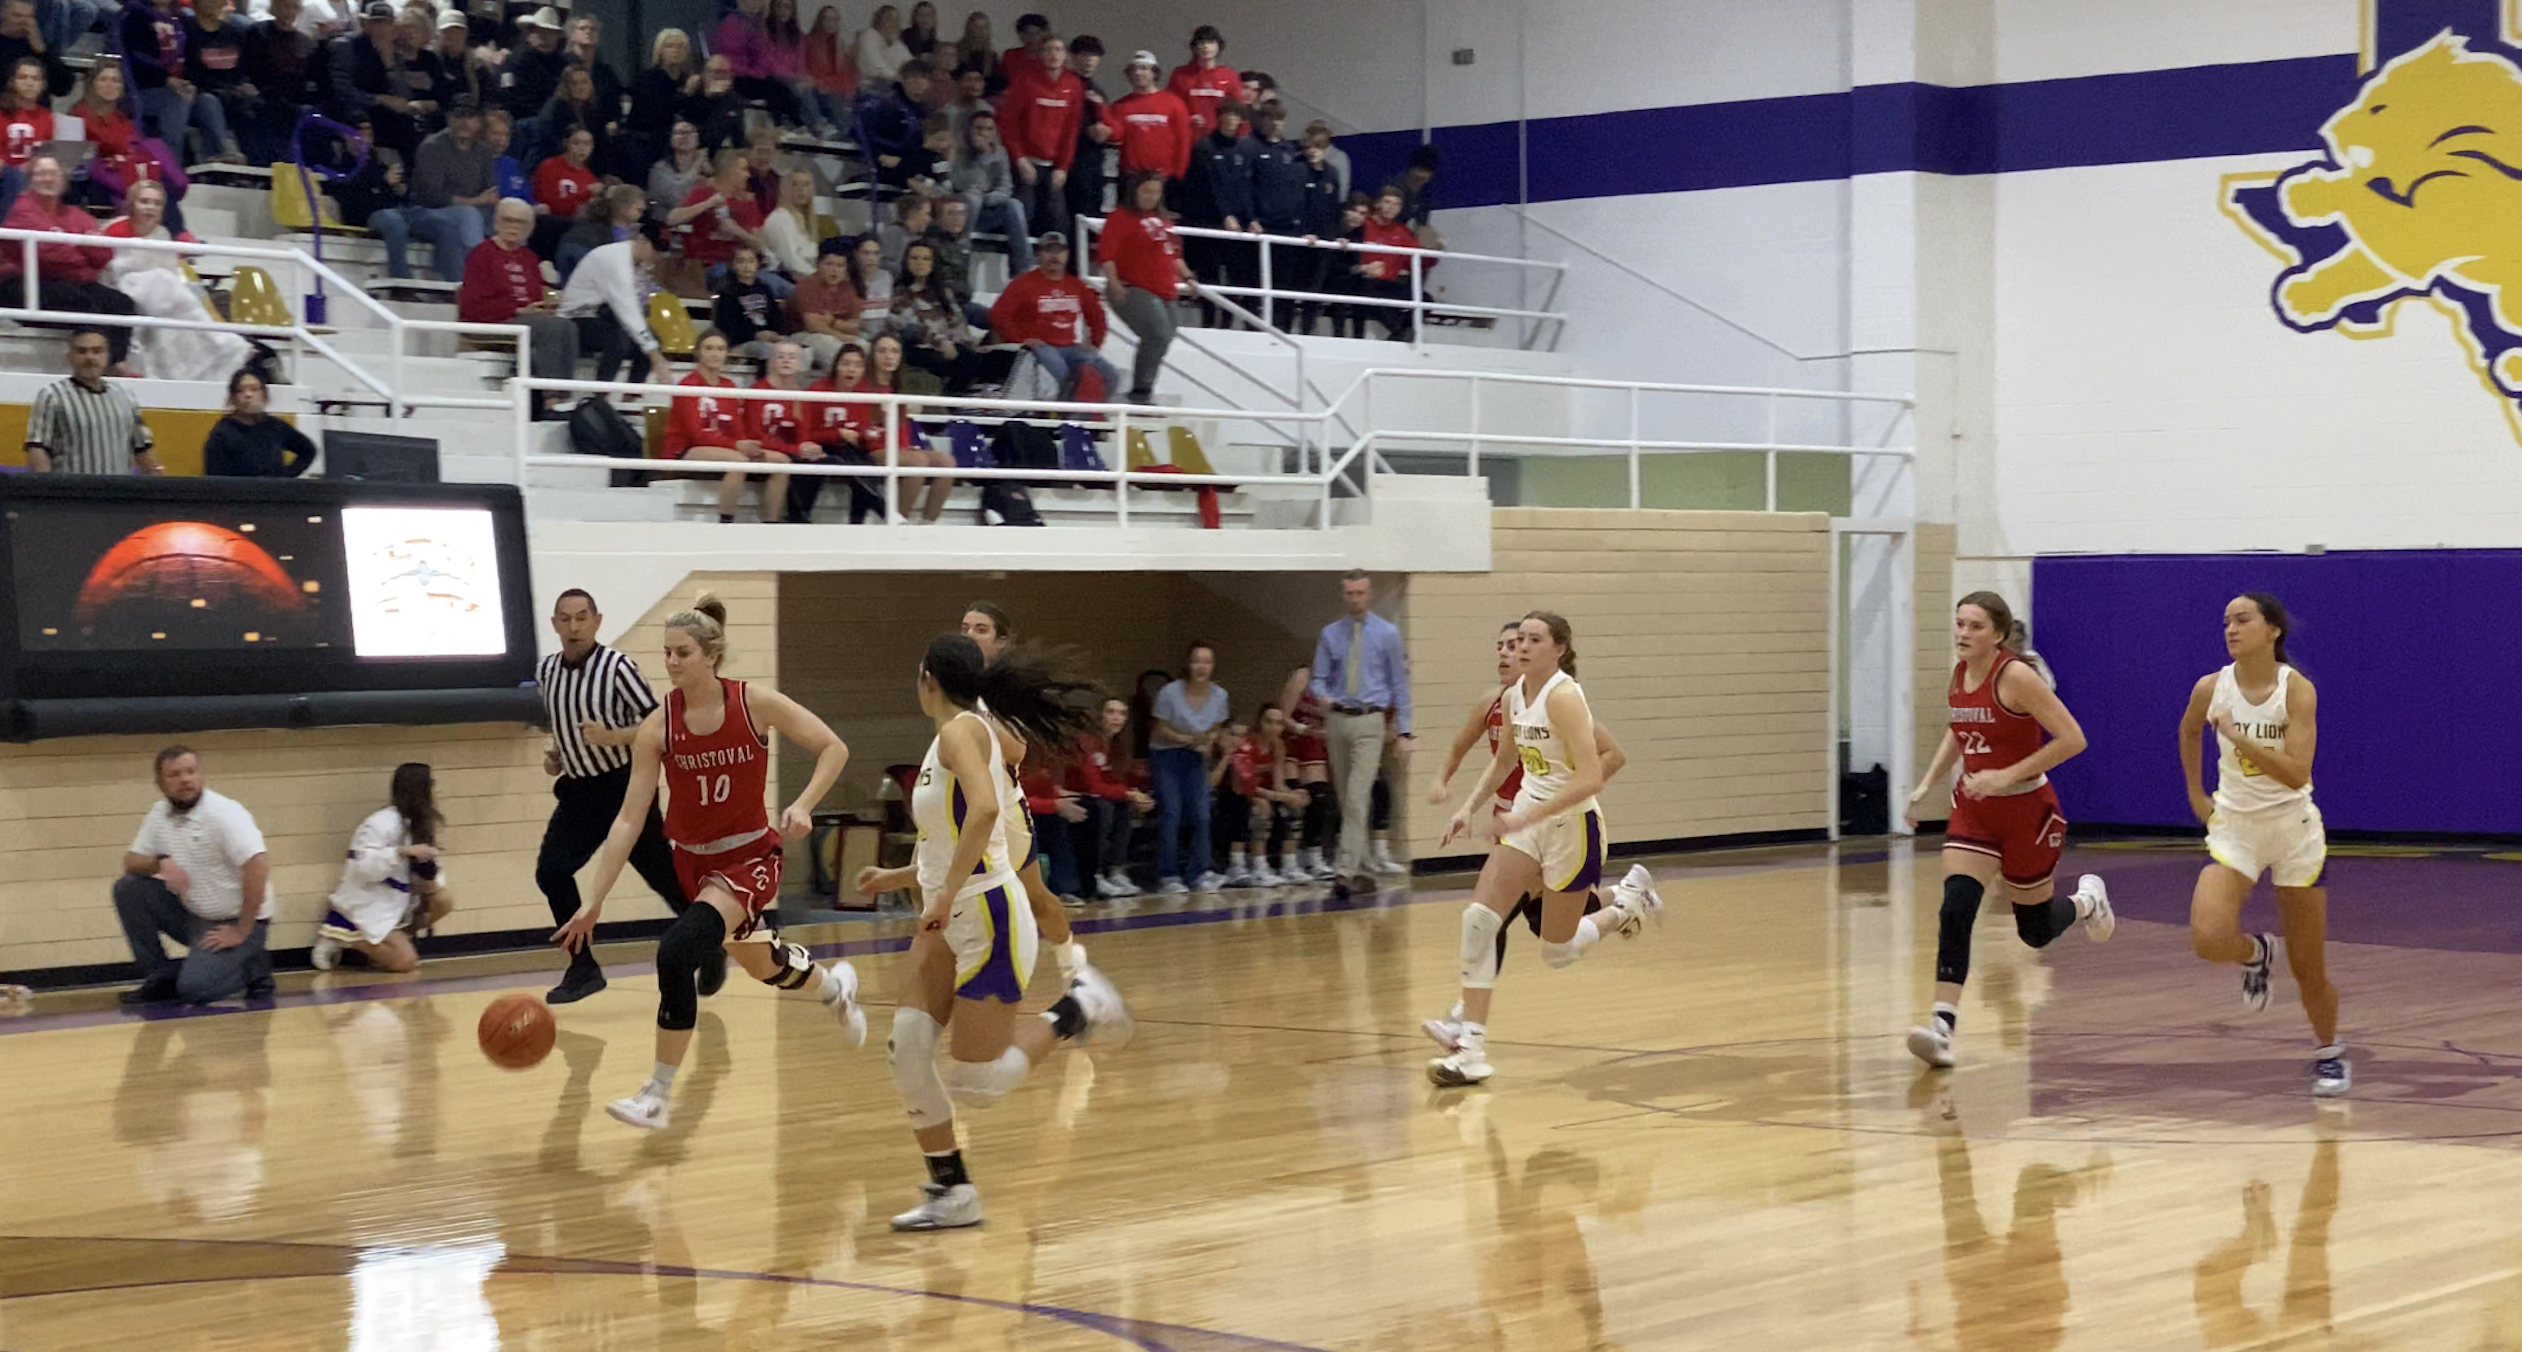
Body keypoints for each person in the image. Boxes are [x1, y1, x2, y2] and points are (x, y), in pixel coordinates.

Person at [552, 594, 868, 1132]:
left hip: (748, 857)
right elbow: (629, 821)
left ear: (711, 656)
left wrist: (803, 805)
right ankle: (833, 986)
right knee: (761, 964)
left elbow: (832, 747)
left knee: (675, 954)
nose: (671, 663)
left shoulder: (753, 703)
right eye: (667, 653)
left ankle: (656, 1093)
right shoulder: (659, 725)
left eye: (683, 653)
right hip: (693, 864)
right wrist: (593, 903)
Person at [852, 632, 1130, 1231]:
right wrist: (900, 873)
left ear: (928, 677)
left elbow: (981, 811)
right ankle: (952, 1192)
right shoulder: (953, 735)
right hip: (947, 914)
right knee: (907, 1052)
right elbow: (953, 832)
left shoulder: (962, 731)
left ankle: (1078, 1008)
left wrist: (947, 890)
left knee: (976, 1084)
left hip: (988, 917)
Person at [1424, 612, 1666, 1088]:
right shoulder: (1515, 696)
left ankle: (1624, 906)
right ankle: (1470, 1048)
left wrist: (1525, 816)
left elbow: (1592, 776)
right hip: (1530, 818)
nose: (1522, 647)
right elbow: (1506, 760)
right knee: (1479, 918)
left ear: (1558, 649)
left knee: (1557, 951)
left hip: (1573, 826)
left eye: (1534, 639)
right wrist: (1467, 809)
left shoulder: (1565, 697)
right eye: (1519, 640)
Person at [1902, 591, 2116, 1071]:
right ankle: (1942, 1027)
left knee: (2034, 931)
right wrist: (1926, 784)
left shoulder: (2017, 675)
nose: (1963, 633)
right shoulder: (1959, 675)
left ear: (1998, 634)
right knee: (1956, 908)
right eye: (1959, 623)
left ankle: (2087, 902)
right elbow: (1959, 731)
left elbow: (2072, 739)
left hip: (2026, 812)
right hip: (1975, 813)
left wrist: (2006, 774)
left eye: (1975, 626)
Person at [2177, 593, 2344, 1096]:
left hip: (2294, 834)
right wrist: (2196, 795)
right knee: (2207, 937)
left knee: (2309, 970)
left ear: (2272, 630)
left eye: (2242, 619)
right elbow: (2188, 733)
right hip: (2236, 829)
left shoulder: (2297, 691)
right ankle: (2255, 953)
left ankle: (2330, 1051)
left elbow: (2296, 774)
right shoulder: (2211, 687)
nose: (2231, 628)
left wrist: (2237, 736)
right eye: (2226, 620)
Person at [533, 588, 713, 1004]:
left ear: (597, 622)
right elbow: (566, 725)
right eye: (566, 619)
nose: (574, 627)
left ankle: (711, 941)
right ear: (555, 624)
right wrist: (560, 755)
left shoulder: (617, 668)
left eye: (582, 618)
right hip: (579, 791)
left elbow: (662, 724)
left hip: (623, 786)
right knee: (552, 872)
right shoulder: (546, 673)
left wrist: (613, 737)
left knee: (661, 875)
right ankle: (582, 968)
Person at [956, 604, 1091, 976]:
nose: (968, 635)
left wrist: (976, 722)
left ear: (1001, 642)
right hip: (965, 807)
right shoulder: (954, 686)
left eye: (980, 629)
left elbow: (1017, 751)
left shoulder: (1004, 691)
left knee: (1035, 897)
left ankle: (1071, 966)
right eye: (964, 628)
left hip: (1004, 809)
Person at [114, 746, 276, 1005]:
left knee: (195, 991)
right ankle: (161, 975)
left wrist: (242, 929)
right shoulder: (159, 814)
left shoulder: (224, 814)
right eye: (175, 775)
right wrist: (160, 863)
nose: (185, 780)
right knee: (129, 888)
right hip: (195, 916)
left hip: (238, 920)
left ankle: (254, 966)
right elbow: (130, 862)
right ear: (160, 784)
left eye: (191, 771)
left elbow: (258, 867)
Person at [1305, 571, 1413, 890]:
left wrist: (1405, 733)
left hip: (1370, 718)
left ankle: (1345, 870)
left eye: (1360, 592)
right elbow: (1318, 678)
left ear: (1370, 593)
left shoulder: (1387, 634)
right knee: (1347, 797)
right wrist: (1322, 695)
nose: (1355, 599)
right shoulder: (1330, 634)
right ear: (1343, 595)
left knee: (1357, 793)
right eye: (1350, 593)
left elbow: (1399, 684)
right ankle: (1364, 866)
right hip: (1338, 718)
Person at [310, 762, 454, 973]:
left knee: (443, 900)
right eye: (433, 786)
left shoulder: (420, 823)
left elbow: (429, 868)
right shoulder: (380, 823)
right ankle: (340, 935)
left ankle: (394, 941)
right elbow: (362, 867)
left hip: (400, 901)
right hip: (370, 900)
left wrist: (430, 880)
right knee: (406, 963)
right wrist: (399, 853)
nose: (438, 792)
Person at [103, 179, 248, 383]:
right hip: (121, 287)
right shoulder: (114, 229)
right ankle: (219, 341)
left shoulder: (162, 234)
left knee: (177, 292)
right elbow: (109, 268)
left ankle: (216, 348)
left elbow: (168, 269)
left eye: (156, 203)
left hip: (159, 293)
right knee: (167, 286)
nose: (150, 207)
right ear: (132, 203)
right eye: (144, 201)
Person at [0, 159, 142, 364]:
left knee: (121, 303)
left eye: (54, 173)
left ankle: (112, 365)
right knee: (77, 299)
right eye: (41, 173)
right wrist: (80, 252)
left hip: (66, 282)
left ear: (64, 180)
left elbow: (102, 254)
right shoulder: (21, 210)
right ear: (30, 180)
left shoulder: (76, 214)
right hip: (20, 285)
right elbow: (49, 257)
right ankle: (88, 366)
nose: (47, 178)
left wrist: (73, 252)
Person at [460, 196, 581, 415]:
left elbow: (536, 296)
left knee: (567, 325)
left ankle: (564, 395)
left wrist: (547, 306)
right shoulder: (482, 254)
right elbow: (471, 306)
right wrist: (517, 310)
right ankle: (551, 400)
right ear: (496, 222)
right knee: (551, 328)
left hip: (527, 320)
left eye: (520, 222)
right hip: (493, 320)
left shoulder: (529, 257)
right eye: (508, 220)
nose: (513, 227)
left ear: (530, 228)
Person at [668, 330, 791, 523]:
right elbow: (696, 435)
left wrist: (746, 443)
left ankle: (771, 522)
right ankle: (726, 521)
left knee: (782, 461)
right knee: (738, 460)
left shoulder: (728, 385)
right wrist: (737, 446)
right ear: (698, 352)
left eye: (720, 349)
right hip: (686, 448)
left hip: (724, 446)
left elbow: (736, 427)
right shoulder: (688, 385)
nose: (715, 354)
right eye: (709, 348)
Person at [370, 94, 495, 281]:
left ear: (479, 121)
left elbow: (489, 191)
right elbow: (432, 196)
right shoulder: (432, 147)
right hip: (428, 211)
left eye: (470, 117)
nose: (464, 122)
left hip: (475, 211)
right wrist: (474, 202)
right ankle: (471, 280)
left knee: (512, 216)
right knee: (467, 216)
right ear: (448, 118)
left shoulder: (483, 152)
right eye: (458, 116)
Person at [1097, 170, 1192, 405]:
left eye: (1156, 192)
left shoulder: (1165, 221)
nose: (1152, 197)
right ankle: (1141, 390)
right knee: (1158, 333)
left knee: (1165, 336)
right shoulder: (1120, 218)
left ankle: (1145, 386)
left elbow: (1173, 254)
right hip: (1134, 286)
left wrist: (1187, 276)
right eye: (1147, 191)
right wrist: (1114, 283)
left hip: (1164, 288)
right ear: (1134, 192)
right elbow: (1106, 255)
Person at [989, 231, 1118, 401]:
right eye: (1049, 251)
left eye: (1059, 251)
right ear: (1039, 254)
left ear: (1067, 255)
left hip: (1070, 346)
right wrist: (1020, 339)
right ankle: (1063, 418)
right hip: (1041, 346)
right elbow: (998, 314)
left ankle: (1092, 416)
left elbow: (1097, 316)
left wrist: (1095, 343)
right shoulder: (1023, 283)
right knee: (1063, 375)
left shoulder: (1075, 285)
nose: (1054, 256)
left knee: (1111, 376)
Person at [1147, 641, 1230, 895]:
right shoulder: (1170, 693)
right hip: (1167, 756)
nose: (1201, 667)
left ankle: (1200, 871)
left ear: (1213, 666)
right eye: (1196, 661)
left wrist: (1208, 741)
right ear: (1188, 664)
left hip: (1195, 758)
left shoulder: (1220, 695)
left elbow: (1216, 726)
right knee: (1172, 812)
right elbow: (1160, 728)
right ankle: (1168, 874)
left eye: (1206, 662)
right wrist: (1190, 740)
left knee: (1202, 813)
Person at [26, 328, 162, 472]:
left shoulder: (125, 396)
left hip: (117, 491)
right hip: (72, 491)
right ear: (70, 357)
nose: (90, 357)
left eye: (97, 351)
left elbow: (143, 448)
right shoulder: (52, 395)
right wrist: (44, 490)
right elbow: (37, 447)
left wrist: (159, 481)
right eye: (82, 351)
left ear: (107, 356)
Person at [557, 233, 676, 387]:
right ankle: (599, 396)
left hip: (606, 315)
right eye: (655, 254)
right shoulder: (614, 259)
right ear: (644, 243)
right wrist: (656, 357)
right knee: (617, 340)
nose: (655, 260)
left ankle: (632, 396)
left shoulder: (635, 263)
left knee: (652, 339)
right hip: (577, 317)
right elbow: (627, 308)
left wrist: (652, 349)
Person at [892, 238, 1009, 391]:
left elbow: (957, 321)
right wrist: (943, 344)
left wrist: (960, 344)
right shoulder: (900, 293)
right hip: (920, 347)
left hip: (950, 344)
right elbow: (911, 328)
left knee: (995, 358)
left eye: (926, 258)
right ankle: (952, 400)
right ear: (906, 261)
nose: (920, 262)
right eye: (914, 258)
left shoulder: (943, 292)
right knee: (964, 360)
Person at [747, 338, 844, 522]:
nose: (785, 361)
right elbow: (754, 434)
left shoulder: (800, 395)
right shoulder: (757, 390)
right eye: (781, 356)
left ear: (799, 364)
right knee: (796, 460)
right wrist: (795, 449)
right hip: (767, 449)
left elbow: (804, 435)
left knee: (820, 461)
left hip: (790, 450)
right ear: (772, 361)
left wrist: (808, 447)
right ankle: (794, 517)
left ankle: (799, 517)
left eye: (791, 357)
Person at [862, 331, 955, 519]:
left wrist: (904, 447)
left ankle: (928, 523)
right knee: (917, 462)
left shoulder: (899, 387)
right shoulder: (862, 386)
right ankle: (897, 521)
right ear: (873, 355)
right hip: (870, 448)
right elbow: (862, 426)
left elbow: (901, 425)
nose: (889, 356)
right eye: (882, 351)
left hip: (894, 447)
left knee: (947, 463)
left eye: (895, 352)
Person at [998, 33, 1080, 242]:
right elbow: (1009, 125)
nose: (1053, 55)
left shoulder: (1073, 85)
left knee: (1058, 220)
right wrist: (1020, 158)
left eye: (1058, 50)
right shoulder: (1025, 81)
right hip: (1026, 163)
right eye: (1048, 50)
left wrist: (1063, 167)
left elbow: (1071, 131)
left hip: (1054, 166)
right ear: (1041, 54)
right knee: (1023, 217)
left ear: (1065, 55)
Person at [1179, 100, 1255, 322]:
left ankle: (1228, 322)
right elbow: (1210, 187)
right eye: (1227, 114)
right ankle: (1210, 322)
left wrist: (1251, 219)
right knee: (1210, 274)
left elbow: (1244, 188)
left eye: (1236, 115)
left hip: (1236, 226)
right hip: (1209, 222)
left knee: (1236, 275)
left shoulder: (1243, 149)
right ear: (1219, 117)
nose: (1231, 119)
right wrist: (1224, 215)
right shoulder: (1204, 147)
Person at [1218, 704, 1308, 887]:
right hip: (1236, 793)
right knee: (1260, 808)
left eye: (1278, 723)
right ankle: (1255, 867)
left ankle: (1289, 866)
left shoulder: (1278, 745)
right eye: (1269, 722)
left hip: (1265, 792)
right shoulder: (1246, 745)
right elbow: (1246, 786)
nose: (1274, 727)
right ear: (1259, 722)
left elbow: (1278, 783)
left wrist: (1293, 794)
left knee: (1294, 807)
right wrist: (1281, 797)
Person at [1073, 695, 1149, 896]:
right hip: (1078, 796)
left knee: (1125, 807)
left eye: (1122, 713)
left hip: (1101, 797)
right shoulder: (1086, 742)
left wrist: (1136, 795)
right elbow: (1093, 785)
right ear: (1100, 716)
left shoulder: (1118, 746)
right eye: (1111, 712)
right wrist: (1128, 794)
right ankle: (1096, 875)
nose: (1116, 718)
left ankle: (1116, 872)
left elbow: (1117, 780)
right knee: (1103, 808)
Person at [672, 147, 772, 292]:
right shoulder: (702, 193)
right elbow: (673, 218)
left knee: (776, 285)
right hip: (708, 265)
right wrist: (708, 204)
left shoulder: (748, 201)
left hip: (743, 265)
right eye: (743, 170)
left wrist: (736, 231)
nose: (748, 175)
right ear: (729, 170)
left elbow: (760, 246)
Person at [950, 107, 1031, 272]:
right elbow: (959, 183)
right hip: (962, 212)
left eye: (989, 129)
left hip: (987, 210)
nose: (983, 133)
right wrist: (981, 158)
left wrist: (987, 198)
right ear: (970, 130)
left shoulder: (999, 153)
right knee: (973, 199)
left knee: (1014, 205)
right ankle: (961, 248)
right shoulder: (959, 151)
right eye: (979, 128)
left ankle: (1024, 268)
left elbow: (1006, 188)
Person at [1276, 664, 1337, 881]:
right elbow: (1282, 715)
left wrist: (1327, 733)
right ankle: (1289, 861)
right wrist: (1301, 729)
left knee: (1321, 797)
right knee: (1295, 797)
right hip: (1292, 738)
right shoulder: (1303, 676)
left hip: (1314, 742)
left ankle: (1313, 855)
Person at [202, 369, 314, 475]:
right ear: (233, 398)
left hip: (273, 493)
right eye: (240, 391)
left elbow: (307, 450)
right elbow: (215, 478)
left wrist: (285, 476)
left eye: (254, 389)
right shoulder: (222, 433)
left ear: (264, 394)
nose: (248, 395)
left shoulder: (275, 426)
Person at [1349, 185, 1422, 341]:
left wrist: (1435, 247)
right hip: (1363, 279)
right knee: (1369, 289)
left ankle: (1402, 333)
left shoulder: (1403, 233)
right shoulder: (1363, 224)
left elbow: (1420, 259)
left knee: (1421, 297)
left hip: (1389, 283)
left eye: (1396, 204)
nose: (1391, 207)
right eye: (1387, 202)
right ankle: (1398, 332)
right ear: (1378, 204)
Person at [1106, 50, 1189, 182]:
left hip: (1164, 177)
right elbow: (1115, 137)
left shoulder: (1174, 104)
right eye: (1134, 69)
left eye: (1144, 69)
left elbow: (1183, 141)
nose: (1138, 73)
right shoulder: (1119, 106)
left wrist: (1179, 174)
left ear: (1154, 73)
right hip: (1131, 176)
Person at [785, 246, 862, 370]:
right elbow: (812, 324)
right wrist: (840, 335)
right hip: (803, 336)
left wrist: (832, 321)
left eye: (840, 266)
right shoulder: (807, 286)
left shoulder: (847, 288)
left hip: (838, 334)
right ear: (818, 265)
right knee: (832, 346)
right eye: (829, 264)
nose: (834, 270)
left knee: (865, 347)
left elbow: (856, 325)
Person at [712, 243, 785, 361]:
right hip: (742, 343)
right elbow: (727, 328)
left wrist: (775, 334)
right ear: (732, 265)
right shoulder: (727, 292)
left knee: (795, 350)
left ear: (758, 264)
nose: (747, 266)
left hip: (768, 339)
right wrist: (755, 335)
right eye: (741, 261)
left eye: (751, 261)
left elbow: (776, 317)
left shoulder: (765, 289)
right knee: (766, 350)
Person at [1166, 24, 1237, 139]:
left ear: (1219, 46)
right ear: (1194, 48)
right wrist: (1187, 118)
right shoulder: (1180, 74)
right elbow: (1171, 105)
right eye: (1201, 43)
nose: (1205, 47)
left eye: (1210, 42)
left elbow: (1237, 108)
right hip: (1189, 136)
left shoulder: (1229, 75)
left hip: (1219, 138)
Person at [645, 118, 708, 232]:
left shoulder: (709, 168)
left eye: (690, 132)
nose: (685, 137)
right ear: (670, 139)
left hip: (703, 224)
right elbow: (677, 198)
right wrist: (697, 166)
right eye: (679, 133)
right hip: (669, 225)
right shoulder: (660, 169)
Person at [761, 166, 821, 279]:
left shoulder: (806, 220)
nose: (801, 189)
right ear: (784, 189)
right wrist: (819, 278)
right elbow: (791, 263)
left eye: (806, 185)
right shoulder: (780, 218)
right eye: (795, 184)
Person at [801, 4, 853, 133]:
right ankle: (830, 129)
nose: (831, 23)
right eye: (827, 19)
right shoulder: (808, 41)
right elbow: (807, 72)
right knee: (831, 96)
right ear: (820, 20)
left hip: (831, 88)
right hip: (815, 90)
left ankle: (846, 134)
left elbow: (845, 76)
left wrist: (826, 82)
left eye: (835, 19)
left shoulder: (840, 45)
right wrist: (821, 82)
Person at [853, 2, 911, 87]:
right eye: (889, 18)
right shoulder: (868, 36)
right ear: (878, 21)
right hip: (871, 86)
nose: (894, 23)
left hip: (894, 85)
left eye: (896, 19)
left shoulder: (897, 43)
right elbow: (876, 69)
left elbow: (911, 64)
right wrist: (901, 79)